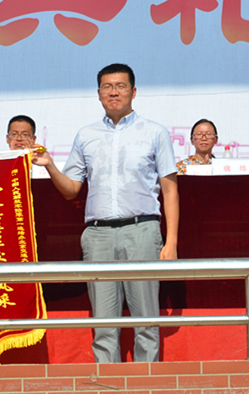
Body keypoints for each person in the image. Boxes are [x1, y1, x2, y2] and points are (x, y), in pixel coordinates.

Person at [32, 63, 179, 363]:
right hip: (98, 234)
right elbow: (72, 189)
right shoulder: (86, 135)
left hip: (142, 230)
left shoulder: (155, 132)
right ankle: (108, 378)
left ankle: (147, 381)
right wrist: (50, 166)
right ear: (98, 93)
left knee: (146, 320)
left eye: (121, 86)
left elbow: (170, 190)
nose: (114, 92)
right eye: (107, 87)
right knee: (103, 321)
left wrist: (171, 242)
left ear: (133, 92)